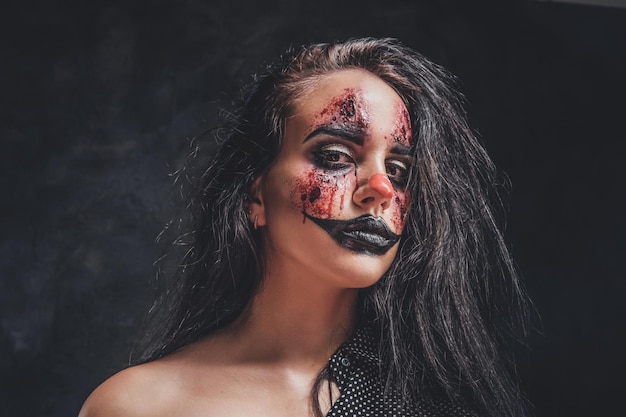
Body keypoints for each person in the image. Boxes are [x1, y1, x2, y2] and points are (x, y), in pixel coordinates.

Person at [79, 37, 531, 417]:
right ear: (254, 195)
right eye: (334, 157)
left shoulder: (437, 402)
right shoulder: (137, 406)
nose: (380, 189)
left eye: (399, 171)